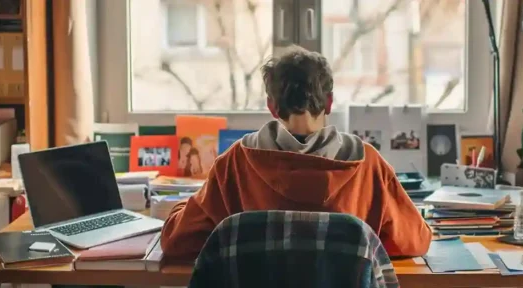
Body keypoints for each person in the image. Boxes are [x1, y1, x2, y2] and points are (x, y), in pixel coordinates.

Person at [160, 46, 431, 262]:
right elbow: (415, 240)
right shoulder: (368, 163)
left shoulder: (235, 162)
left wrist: (180, 207)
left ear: (272, 107)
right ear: (329, 102)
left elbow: (175, 241)